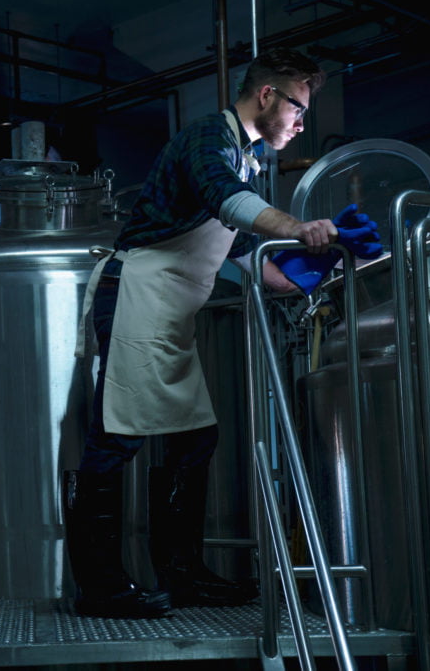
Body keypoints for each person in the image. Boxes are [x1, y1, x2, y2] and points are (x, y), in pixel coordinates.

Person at [64, 47, 379, 619]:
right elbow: (230, 202)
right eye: (299, 109)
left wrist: (330, 258)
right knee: (117, 436)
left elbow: (264, 272)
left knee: (195, 437)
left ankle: (181, 574)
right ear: (267, 96)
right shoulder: (210, 139)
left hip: (170, 312)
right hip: (137, 293)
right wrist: (297, 225)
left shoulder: (246, 163)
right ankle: (98, 585)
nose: (302, 123)